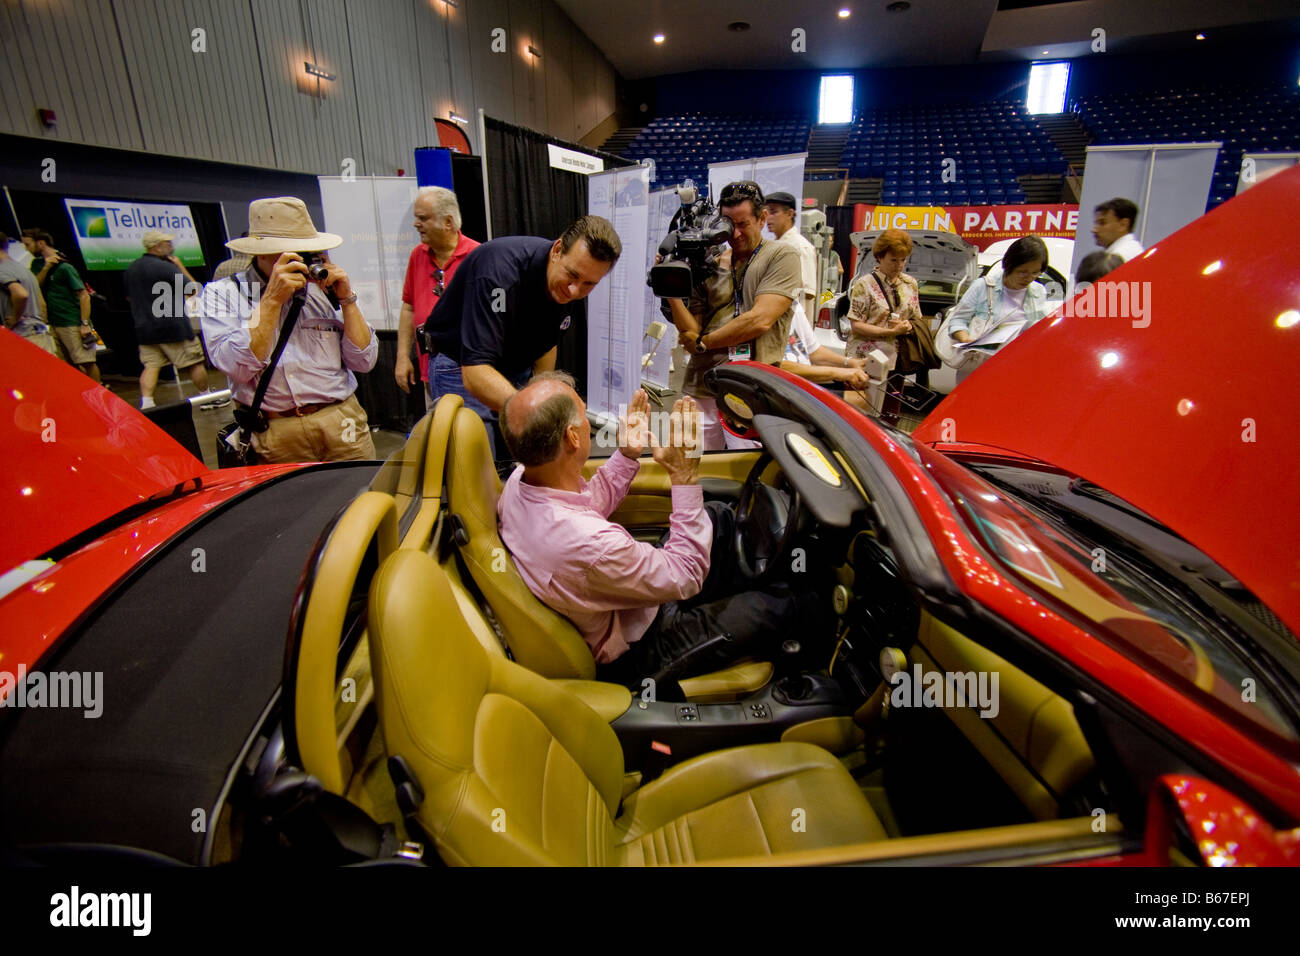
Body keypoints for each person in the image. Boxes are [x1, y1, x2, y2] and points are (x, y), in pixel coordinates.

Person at [497, 371, 814, 689]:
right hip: (639, 645)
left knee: (717, 517)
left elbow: (585, 504)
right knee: (782, 605)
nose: (587, 421)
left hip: (625, 599)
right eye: (583, 414)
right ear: (573, 438)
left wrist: (626, 454)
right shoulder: (590, 543)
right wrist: (684, 474)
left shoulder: (520, 481)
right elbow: (687, 575)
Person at [200, 196, 378, 462]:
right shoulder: (223, 294)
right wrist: (271, 300)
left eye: (306, 250)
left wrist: (347, 300)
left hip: (342, 421)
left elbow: (364, 361)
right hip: (275, 431)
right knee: (293, 503)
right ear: (261, 252)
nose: (301, 258)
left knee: (363, 498)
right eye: (290, 250)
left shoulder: (323, 290)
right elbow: (235, 366)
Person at [422, 214, 620, 438]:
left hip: (513, 364)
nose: (575, 291)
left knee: (524, 450)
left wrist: (542, 399)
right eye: (572, 275)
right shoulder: (497, 273)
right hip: (460, 364)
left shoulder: (568, 284)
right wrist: (533, 411)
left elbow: (546, 345)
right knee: (477, 453)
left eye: (589, 284)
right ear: (557, 250)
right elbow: (475, 372)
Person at [667, 180, 800, 448]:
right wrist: (671, 288)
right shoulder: (710, 264)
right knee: (691, 468)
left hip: (751, 388)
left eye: (743, 225)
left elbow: (759, 320)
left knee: (742, 475)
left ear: (762, 218)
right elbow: (691, 329)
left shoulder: (781, 256)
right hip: (701, 385)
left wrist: (704, 343)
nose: (735, 234)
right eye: (728, 225)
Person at [394, 186, 479, 404]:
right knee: (440, 432)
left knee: (468, 432)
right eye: (416, 217)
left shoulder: (477, 256)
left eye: (423, 218)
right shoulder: (417, 255)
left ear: (448, 222)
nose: (415, 224)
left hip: (467, 372)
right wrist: (403, 356)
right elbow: (409, 307)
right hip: (429, 369)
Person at [123, 230, 214, 409]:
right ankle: (206, 397)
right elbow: (192, 289)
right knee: (194, 362)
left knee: (151, 365)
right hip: (173, 326)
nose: (171, 247)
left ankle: (147, 402)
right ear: (157, 246)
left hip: (144, 327)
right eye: (168, 243)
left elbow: (128, 298)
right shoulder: (165, 267)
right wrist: (179, 266)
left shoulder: (131, 268)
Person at [946, 236, 1051, 385]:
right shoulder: (983, 286)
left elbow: (1038, 329)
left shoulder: (1038, 291)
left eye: (1035, 273)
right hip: (980, 366)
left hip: (1017, 368)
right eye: (1022, 272)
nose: (1029, 278)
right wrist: (967, 340)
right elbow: (958, 320)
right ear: (1009, 266)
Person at [844, 228, 923, 424]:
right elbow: (856, 326)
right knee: (860, 412)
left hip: (896, 361)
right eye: (893, 260)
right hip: (865, 359)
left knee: (891, 413)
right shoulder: (864, 284)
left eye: (903, 260)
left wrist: (907, 326)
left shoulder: (910, 284)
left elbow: (916, 318)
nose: (899, 265)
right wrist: (890, 331)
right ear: (880, 257)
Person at [21, 229, 99, 382]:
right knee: (66, 364)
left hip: (71, 320)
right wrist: (46, 268)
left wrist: (84, 323)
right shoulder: (37, 265)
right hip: (53, 321)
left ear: (41, 243)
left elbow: (84, 295)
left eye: (28, 244)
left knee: (86, 361)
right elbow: (34, 286)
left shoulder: (65, 267)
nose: (26, 248)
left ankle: (98, 394)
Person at [780, 301, 872, 411]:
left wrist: (850, 363)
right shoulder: (763, 315)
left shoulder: (794, 305)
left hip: (804, 388)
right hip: (783, 392)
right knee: (863, 403)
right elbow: (774, 365)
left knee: (868, 398)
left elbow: (814, 352)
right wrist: (837, 373)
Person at [764, 191, 818, 324]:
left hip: (791, 327)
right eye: (765, 212)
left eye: (773, 212)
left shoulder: (800, 247)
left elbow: (805, 295)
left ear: (789, 214)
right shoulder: (772, 246)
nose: (768, 218)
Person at [0, 232, 58, 355]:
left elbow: (21, 294)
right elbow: (42, 304)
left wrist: (15, 318)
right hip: (40, 334)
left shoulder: (2, 270)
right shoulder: (23, 270)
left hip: (24, 336)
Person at [1091, 197, 1143, 262]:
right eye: (1096, 223)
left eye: (1102, 223)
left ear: (1123, 225)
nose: (1094, 230)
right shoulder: (1131, 250)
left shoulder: (1121, 256)